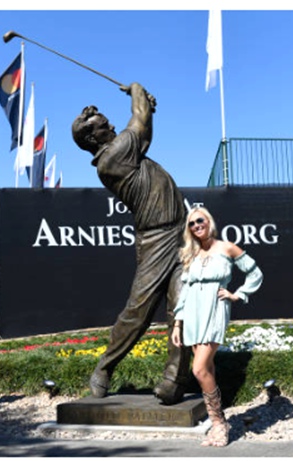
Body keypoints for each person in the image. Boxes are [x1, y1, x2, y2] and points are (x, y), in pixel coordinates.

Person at [71, 82, 192, 404]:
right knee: (137, 312)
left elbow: (145, 130)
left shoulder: (126, 150)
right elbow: (139, 120)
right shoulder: (112, 157)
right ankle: (103, 370)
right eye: (102, 125)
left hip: (181, 236)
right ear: (93, 138)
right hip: (156, 239)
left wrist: (146, 105)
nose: (110, 125)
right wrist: (137, 90)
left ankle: (174, 380)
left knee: (182, 307)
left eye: (109, 121)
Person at [171, 206, 264, 447]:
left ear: (208, 221)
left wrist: (238, 295)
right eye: (191, 224)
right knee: (207, 370)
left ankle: (220, 423)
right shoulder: (190, 254)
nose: (196, 226)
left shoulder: (227, 247)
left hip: (214, 310)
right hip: (192, 313)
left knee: (199, 369)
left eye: (199, 221)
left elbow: (255, 273)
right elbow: (185, 291)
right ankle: (216, 422)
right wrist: (177, 324)